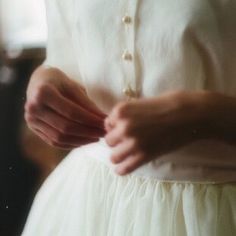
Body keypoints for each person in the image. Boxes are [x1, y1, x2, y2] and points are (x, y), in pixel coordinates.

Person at [22, 0, 236, 235]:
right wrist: (43, 79)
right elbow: (62, 57)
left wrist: (207, 114)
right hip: (90, 201)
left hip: (217, 208)